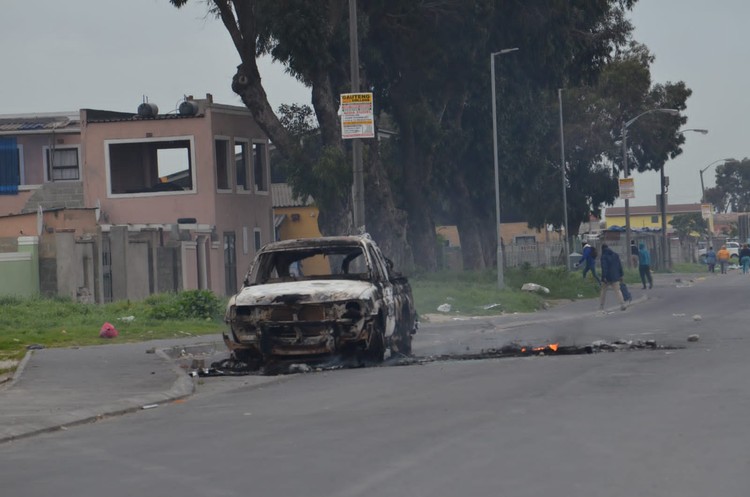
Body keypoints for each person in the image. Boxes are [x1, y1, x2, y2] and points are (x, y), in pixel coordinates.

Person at [599, 244, 626, 311]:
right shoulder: (615, 255)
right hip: (615, 276)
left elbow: (604, 267)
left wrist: (604, 276)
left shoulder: (603, 256)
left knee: (603, 291)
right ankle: (622, 304)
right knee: (617, 290)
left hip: (607, 277)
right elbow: (619, 266)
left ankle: (601, 306)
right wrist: (621, 275)